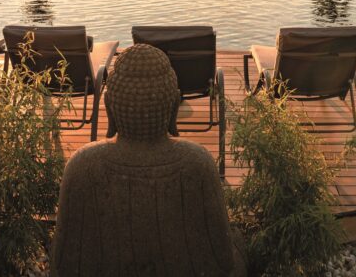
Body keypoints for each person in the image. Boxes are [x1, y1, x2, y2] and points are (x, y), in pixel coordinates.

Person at [51, 44, 243, 277]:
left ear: (109, 107)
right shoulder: (198, 162)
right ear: (174, 107)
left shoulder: (82, 166)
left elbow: (62, 265)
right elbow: (224, 261)